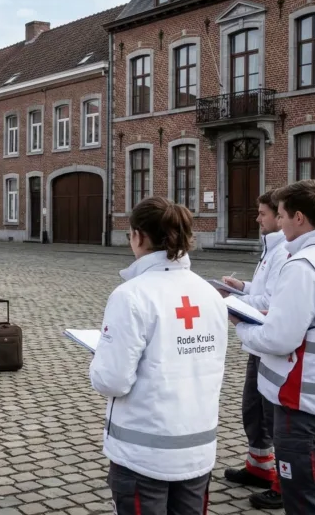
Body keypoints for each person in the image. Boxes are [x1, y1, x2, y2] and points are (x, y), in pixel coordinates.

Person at [90, 196, 227, 515]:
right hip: (197, 449)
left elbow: (112, 380)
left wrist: (99, 360)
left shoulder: (131, 295)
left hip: (144, 453)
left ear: (138, 236)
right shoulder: (210, 294)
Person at [235, 180, 315, 515]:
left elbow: (279, 339)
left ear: (299, 217)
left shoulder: (303, 266)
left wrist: (241, 326)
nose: (279, 222)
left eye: (282, 215)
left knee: (305, 496)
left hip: (303, 401)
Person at [218, 191, 287, 509]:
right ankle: (259, 465)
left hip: (269, 342)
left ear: (280, 216)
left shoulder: (283, 252)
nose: (257, 218)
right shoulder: (270, 247)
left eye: (263, 213)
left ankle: (283, 480)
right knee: (253, 407)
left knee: (272, 414)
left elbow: (271, 302)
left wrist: (233, 301)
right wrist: (242, 287)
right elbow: (261, 290)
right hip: (257, 342)